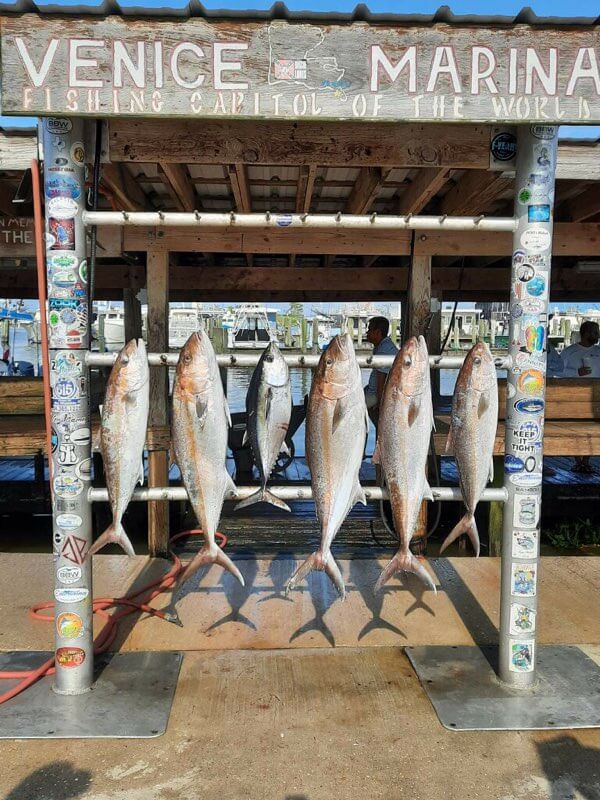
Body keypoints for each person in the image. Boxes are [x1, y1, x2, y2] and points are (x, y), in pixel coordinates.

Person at [560, 320, 600, 474]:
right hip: (573, 397)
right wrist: (576, 373)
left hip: (595, 397)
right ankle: (577, 461)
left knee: (592, 429)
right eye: (595, 332)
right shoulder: (569, 352)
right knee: (574, 428)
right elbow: (557, 371)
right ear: (585, 333)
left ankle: (586, 461)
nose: (597, 335)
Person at [364, 316, 398, 423]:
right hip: (373, 391)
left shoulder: (384, 350)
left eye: (369, 330)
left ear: (378, 332)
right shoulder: (382, 345)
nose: (367, 333)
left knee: (349, 409)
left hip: (376, 394)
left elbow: (381, 378)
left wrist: (381, 403)